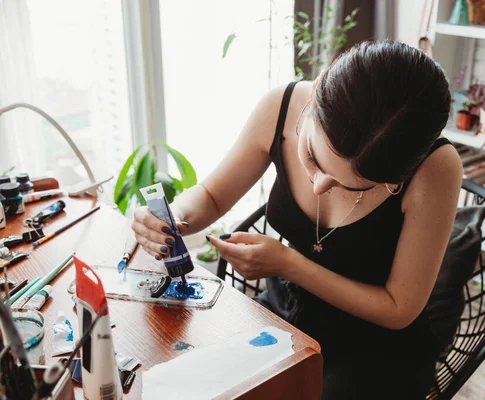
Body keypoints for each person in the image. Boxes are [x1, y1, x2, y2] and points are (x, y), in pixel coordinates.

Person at [132, 40, 462, 399]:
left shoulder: (436, 169)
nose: (320, 187)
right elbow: (211, 196)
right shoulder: (281, 107)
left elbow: (398, 309)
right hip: (282, 316)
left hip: (376, 349)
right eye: (314, 158)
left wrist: (289, 264)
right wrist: (172, 216)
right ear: (318, 89)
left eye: (351, 186)